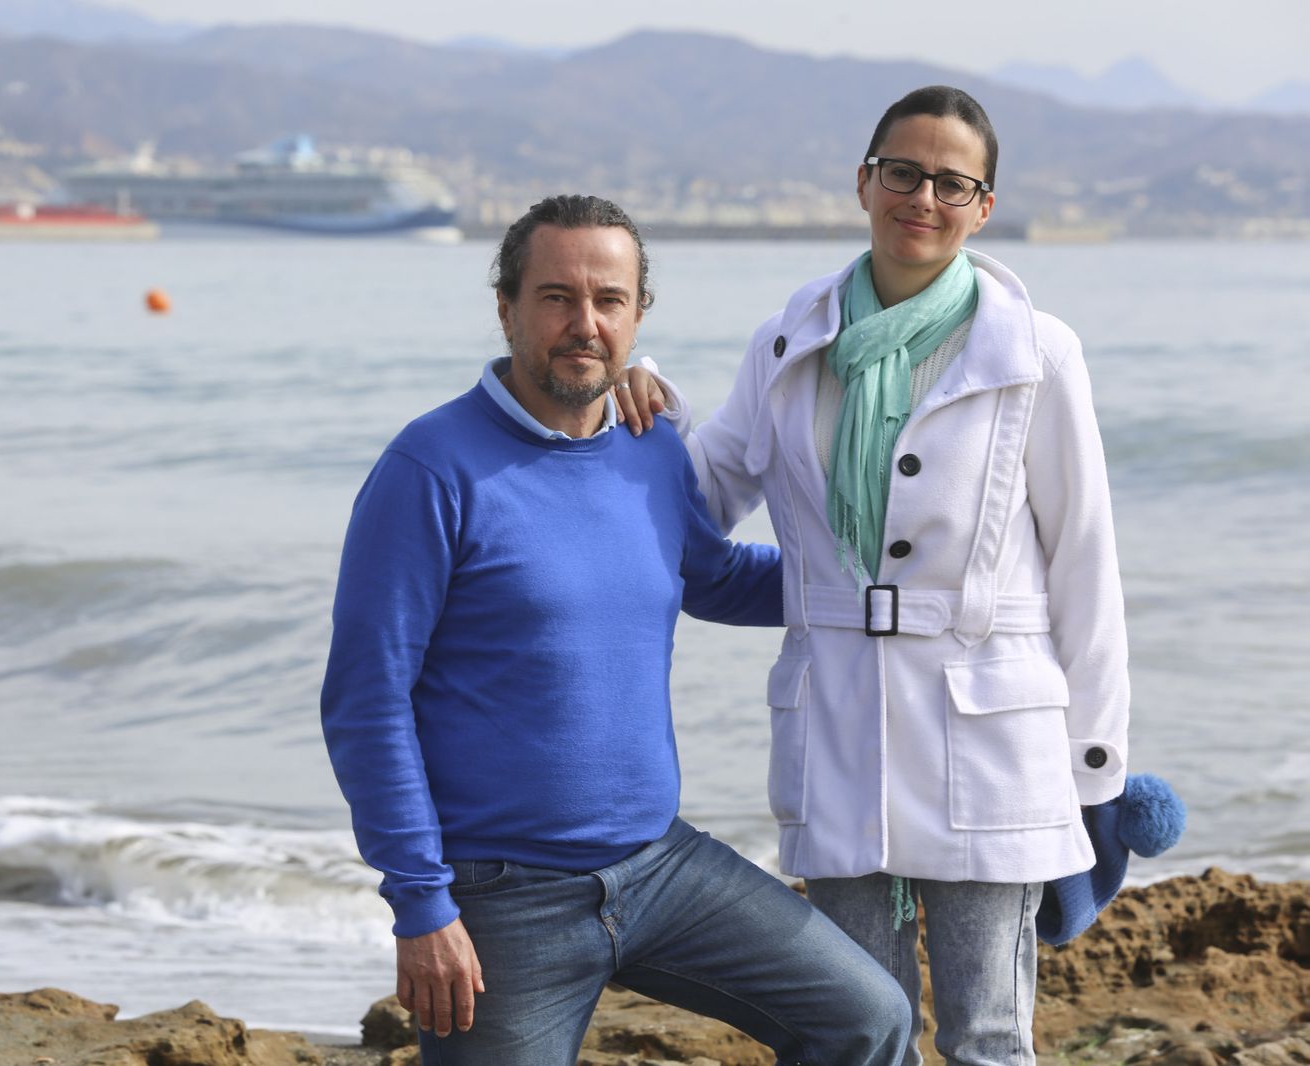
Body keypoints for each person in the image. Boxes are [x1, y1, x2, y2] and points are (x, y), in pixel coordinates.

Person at [320, 194, 911, 1066]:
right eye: (556, 297)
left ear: (637, 316)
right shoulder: (429, 469)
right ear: (507, 308)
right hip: (500, 897)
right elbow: (367, 701)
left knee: (869, 1017)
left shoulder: (651, 447)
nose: (583, 324)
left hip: (662, 868)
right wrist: (422, 906)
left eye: (609, 300)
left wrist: (883, 586)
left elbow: (708, 576)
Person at [618, 86, 1130, 1065]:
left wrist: (1094, 767)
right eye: (903, 172)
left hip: (993, 737)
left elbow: (1085, 569)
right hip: (837, 726)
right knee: (858, 1028)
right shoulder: (787, 342)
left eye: (951, 182)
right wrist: (646, 406)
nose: (922, 197)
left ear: (983, 206)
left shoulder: (1036, 353)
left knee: (987, 1035)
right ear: (864, 181)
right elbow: (705, 493)